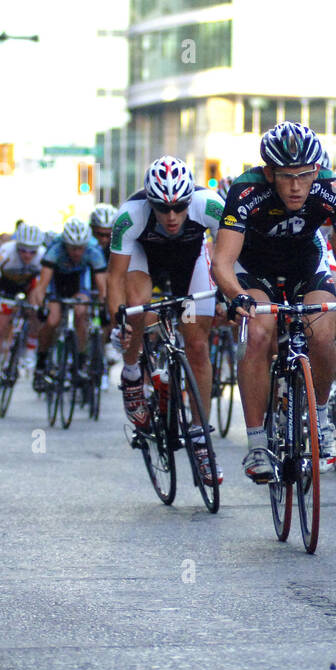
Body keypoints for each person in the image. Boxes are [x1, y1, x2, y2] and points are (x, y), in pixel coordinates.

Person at [211, 124, 336, 482]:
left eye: (304, 175)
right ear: (269, 172)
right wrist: (235, 294)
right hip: (255, 269)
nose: (297, 186)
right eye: (286, 177)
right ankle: (257, 444)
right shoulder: (246, 190)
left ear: (316, 170)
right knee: (258, 334)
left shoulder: (331, 188)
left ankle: (320, 416)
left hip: (305, 263)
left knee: (322, 331)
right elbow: (222, 262)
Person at [107, 157, 225, 485]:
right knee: (137, 309)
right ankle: (132, 376)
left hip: (190, 262)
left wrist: (230, 296)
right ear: (150, 201)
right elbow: (115, 277)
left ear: (191, 199)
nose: (171, 217)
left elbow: (229, 255)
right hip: (146, 262)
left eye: (179, 207)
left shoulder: (211, 205)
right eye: (162, 208)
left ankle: (201, 437)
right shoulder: (130, 215)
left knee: (197, 344)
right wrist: (118, 321)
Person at [29, 218, 109, 389]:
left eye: (81, 248)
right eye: (73, 248)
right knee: (52, 320)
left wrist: (104, 308)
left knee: (81, 313)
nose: (77, 252)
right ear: (65, 244)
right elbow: (42, 284)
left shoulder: (93, 250)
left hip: (79, 284)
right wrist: (41, 304)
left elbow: (103, 287)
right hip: (57, 284)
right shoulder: (55, 250)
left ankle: (80, 361)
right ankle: (41, 362)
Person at [0, 223, 46, 405]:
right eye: (23, 250)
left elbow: (42, 286)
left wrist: (37, 303)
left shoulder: (42, 255)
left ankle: (31, 349)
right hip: (4, 289)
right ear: (17, 246)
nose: (27, 255)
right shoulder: (5, 253)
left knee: (36, 307)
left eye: (32, 251)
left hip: (28, 286)